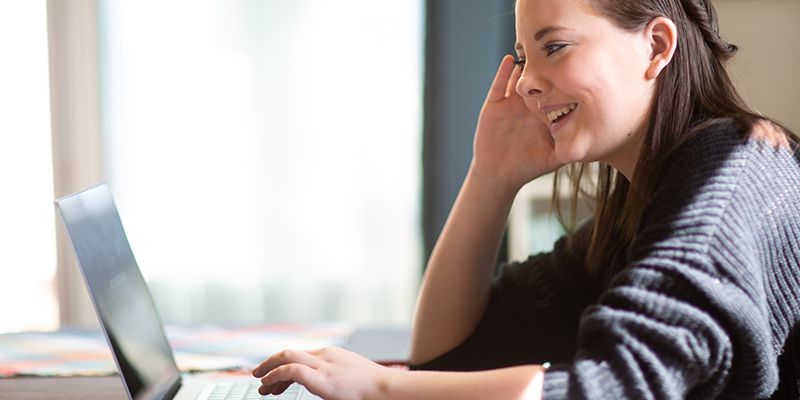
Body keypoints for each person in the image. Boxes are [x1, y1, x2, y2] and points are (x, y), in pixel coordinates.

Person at [252, 0, 800, 398]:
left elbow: (613, 385)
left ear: (655, 47)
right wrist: (491, 177)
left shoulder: (731, 171)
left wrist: (380, 387)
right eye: (522, 57)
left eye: (554, 48)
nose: (527, 83)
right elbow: (447, 352)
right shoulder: (641, 205)